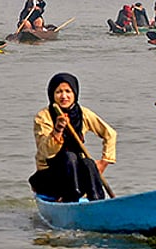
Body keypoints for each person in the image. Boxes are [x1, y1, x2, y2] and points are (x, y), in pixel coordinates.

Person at [29, 73, 116, 202]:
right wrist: (57, 130)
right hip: (51, 174)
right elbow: (46, 151)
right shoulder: (43, 117)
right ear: (52, 94)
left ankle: (97, 201)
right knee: (69, 157)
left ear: (75, 93)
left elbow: (110, 134)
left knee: (88, 163)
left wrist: (104, 161)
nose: (64, 96)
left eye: (68, 91)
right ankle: (70, 200)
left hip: (75, 170)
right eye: (59, 92)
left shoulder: (83, 113)